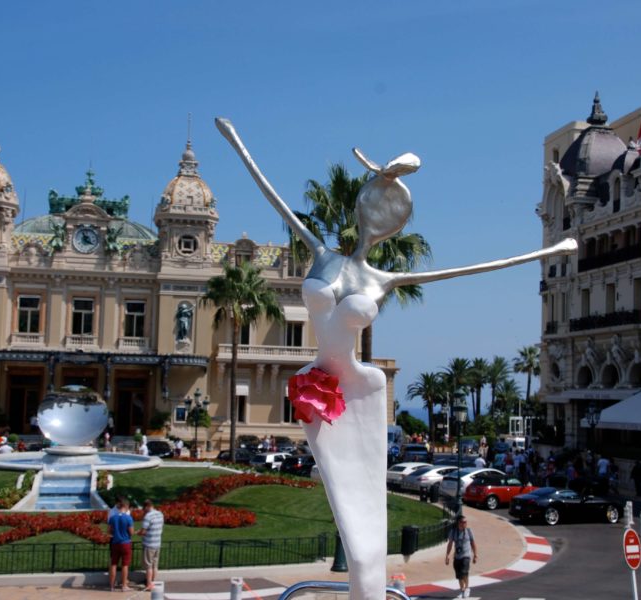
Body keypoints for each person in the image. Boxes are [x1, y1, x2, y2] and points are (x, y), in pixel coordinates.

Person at [217, 117, 575, 600]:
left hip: (357, 393)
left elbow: (472, 268)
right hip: (316, 386)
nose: (375, 219)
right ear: (363, 205)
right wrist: (237, 141)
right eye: (374, 205)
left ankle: (369, 587)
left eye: (388, 213)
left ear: (393, 224)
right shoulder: (323, 254)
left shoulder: (383, 278)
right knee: (346, 508)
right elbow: (271, 192)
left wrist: (550, 250)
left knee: (364, 529)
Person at [445, 515, 478, 598]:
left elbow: (473, 543)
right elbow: (450, 544)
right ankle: (462, 590)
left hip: (466, 555)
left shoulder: (469, 531)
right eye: (463, 522)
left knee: (464, 571)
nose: (465, 524)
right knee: (459, 575)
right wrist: (447, 555)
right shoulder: (453, 532)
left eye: (465, 522)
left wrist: (475, 555)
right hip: (457, 556)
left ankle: (467, 588)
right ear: (458, 523)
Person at [108, 499, 135, 592]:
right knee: (125, 565)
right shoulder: (128, 518)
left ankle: (111, 586)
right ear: (126, 506)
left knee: (113, 564)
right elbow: (131, 532)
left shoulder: (113, 517)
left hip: (115, 542)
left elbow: (109, 531)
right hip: (125, 543)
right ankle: (124, 586)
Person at [139, 499, 165, 592]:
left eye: (143, 508)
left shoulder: (148, 516)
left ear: (146, 507)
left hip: (149, 544)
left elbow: (143, 531)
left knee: (149, 566)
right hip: (157, 542)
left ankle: (149, 584)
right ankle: (153, 581)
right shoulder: (160, 514)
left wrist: (138, 532)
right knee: (155, 564)